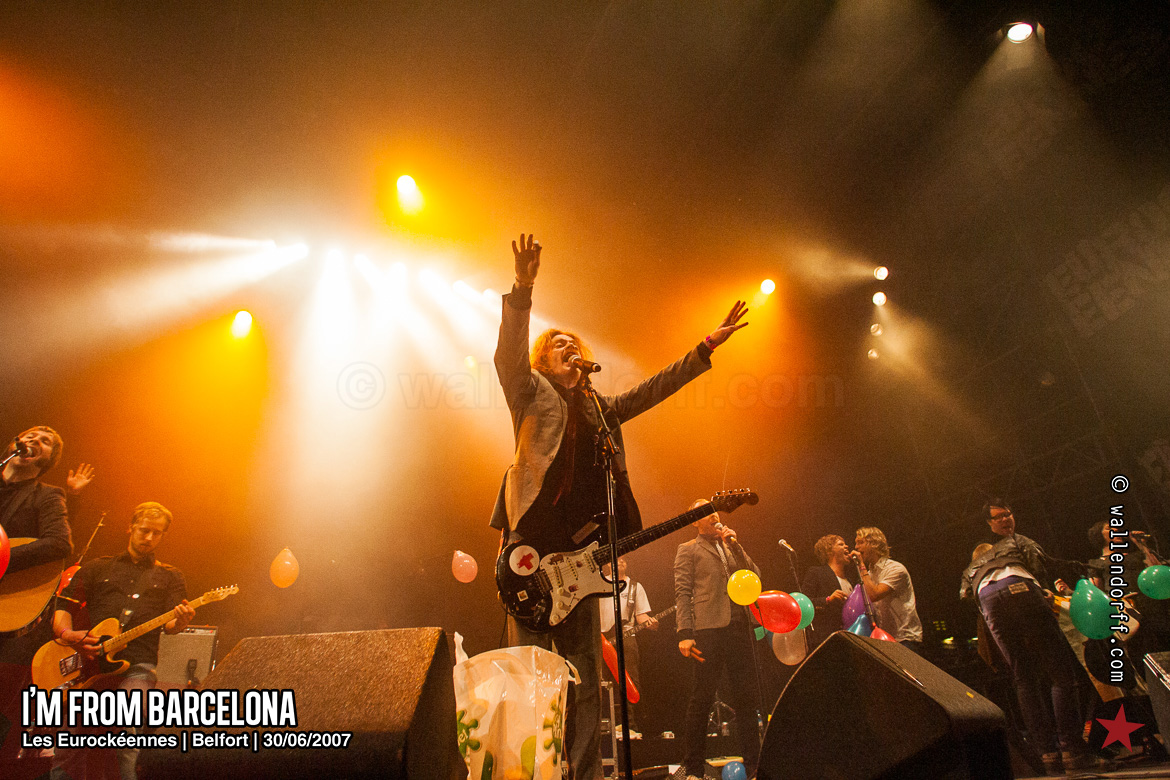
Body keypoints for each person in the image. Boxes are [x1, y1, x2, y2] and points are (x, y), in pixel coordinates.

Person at [491, 233, 748, 780]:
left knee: (586, 682)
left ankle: (585, 775)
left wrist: (705, 347)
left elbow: (654, 389)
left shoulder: (600, 407)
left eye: (573, 343)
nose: (568, 348)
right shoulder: (529, 390)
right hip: (532, 553)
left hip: (583, 559)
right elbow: (508, 354)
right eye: (558, 344)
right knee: (533, 676)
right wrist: (522, 288)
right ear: (544, 359)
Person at [960, 501, 1110, 776]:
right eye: (999, 516)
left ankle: (1047, 754)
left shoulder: (972, 564)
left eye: (1008, 513)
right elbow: (1038, 565)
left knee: (1023, 678)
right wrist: (1042, 591)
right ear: (989, 524)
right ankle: (1073, 750)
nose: (1006, 519)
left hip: (987, 599)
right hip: (1019, 587)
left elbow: (965, 595)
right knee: (1060, 674)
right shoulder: (1017, 540)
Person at [50, 501, 195, 780]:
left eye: (157, 533)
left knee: (126, 728)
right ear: (130, 528)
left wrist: (181, 621)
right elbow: (63, 607)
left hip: (137, 665)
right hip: (90, 664)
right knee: (70, 740)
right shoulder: (97, 567)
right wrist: (68, 635)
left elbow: (171, 625)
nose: (149, 538)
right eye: (144, 530)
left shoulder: (171, 576)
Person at [674, 499, 761, 780]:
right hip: (708, 630)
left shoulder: (730, 545)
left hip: (739, 627)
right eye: (705, 513)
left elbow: (755, 576)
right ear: (695, 522)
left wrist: (736, 545)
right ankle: (693, 768)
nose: (713, 516)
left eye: (714, 511)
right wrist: (685, 633)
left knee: (746, 697)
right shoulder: (688, 549)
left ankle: (754, 764)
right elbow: (682, 592)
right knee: (702, 698)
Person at [599, 556, 658, 739]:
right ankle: (605, 726)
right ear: (608, 563)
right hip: (602, 640)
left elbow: (641, 615)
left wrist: (650, 623)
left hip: (626, 638)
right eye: (616, 559)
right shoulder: (599, 583)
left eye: (623, 559)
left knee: (629, 681)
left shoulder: (635, 587)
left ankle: (628, 725)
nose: (620, 562)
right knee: (603, 682)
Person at [0, 427, 71, 575]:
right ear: (14, 444)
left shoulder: (48, 495)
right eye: (30, 436)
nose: (35, 440)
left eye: (45, 441)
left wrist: (4, 558)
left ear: (50, 459)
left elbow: (59, 544)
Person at [851, 526, 923, 652]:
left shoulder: (895, 569)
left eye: (860, 542)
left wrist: (861, 566)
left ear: (874, 544)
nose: (856, 547)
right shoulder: (869, 574)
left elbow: (874, 595)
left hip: (904, 638)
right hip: (884, 639)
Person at [801, 534, 860, 647]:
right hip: (827, 639)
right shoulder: (816, 573)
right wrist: (827, 600)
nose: (847, 546)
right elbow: (804, 604)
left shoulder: (851, 579)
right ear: (829, 551)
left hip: (850, 638)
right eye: (841, 544)